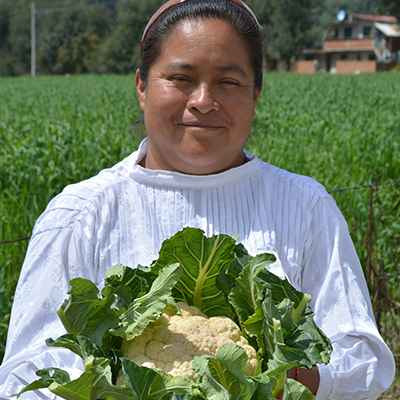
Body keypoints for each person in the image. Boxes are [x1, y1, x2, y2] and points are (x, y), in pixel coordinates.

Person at [0, 0, 395, 399]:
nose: (203, 100)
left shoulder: (306, 206)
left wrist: (271, 376)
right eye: (180, 78)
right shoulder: (79, 217)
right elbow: (25, 377)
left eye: (228, 82)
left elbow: (363, 361)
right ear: (141, 86)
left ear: (256, 93)